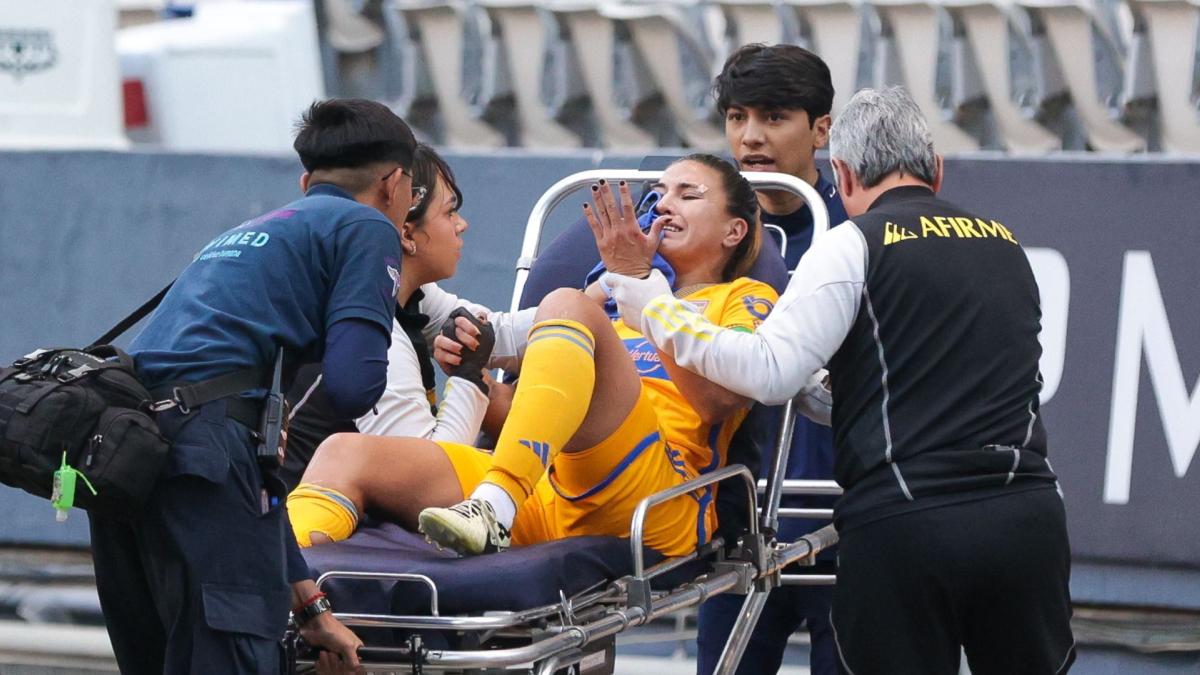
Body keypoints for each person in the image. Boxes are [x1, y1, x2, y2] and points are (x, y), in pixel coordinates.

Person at [604, 88, 1075, 675]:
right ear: (937, 168)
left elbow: (766, 374)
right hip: (1025, 520)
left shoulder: (851, 244)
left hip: (907, 525)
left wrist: (652, 305)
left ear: (844, 176)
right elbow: (922, 382)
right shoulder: (1005, 243)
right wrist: (818, 390)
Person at [289, 154, 776, 562]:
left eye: (688, 195)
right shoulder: (612, 301)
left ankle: (492, 506)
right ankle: (283, 582)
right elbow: (537, 417)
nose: (664, 205)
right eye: (659, 195)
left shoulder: (743, 297)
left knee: (567, 303)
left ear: (734, 231)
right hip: (541, 490)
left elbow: (718, 400)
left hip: (655, 496)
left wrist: (636, 288)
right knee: (342, 452)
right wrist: (475, 376)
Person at [88, 98, 422, 674]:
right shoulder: (366, 226)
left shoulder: (250, 233)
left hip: (126, 457)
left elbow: (253, 472)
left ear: (306, 181)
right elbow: (352, 384)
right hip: (200, 458)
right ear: (393, 185)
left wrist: (312, 610)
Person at [286, 143, 531, 540]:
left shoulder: (400, 292)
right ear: (405, 233)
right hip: (307, 532)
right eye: (450, 211)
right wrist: (470, 378)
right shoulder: (371, 334)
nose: (461, 224)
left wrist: (603, 301)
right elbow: (435, 476)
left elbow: (500, 331)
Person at [697, 42, 848, 675]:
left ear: (821, 129)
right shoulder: (702, 227)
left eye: (774, 117)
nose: (751, 138)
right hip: (735, 524)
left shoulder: (860, 230)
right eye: (737, 117)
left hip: (847, 526)